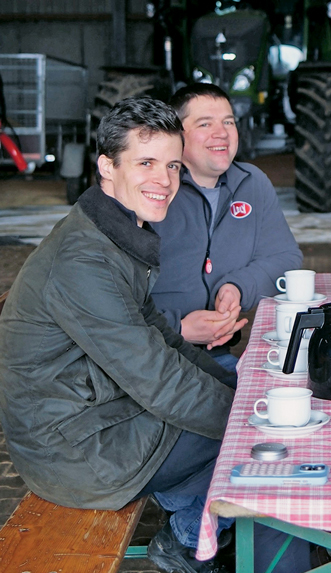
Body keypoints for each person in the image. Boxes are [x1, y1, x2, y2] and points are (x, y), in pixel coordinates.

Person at [0, 97, 308, 573]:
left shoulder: (115, 234)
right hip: (72, 450)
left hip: (97, 414)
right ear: (107, 166)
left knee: (240, 403)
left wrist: (245, 394)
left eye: (171, 165)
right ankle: (188, 543)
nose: (164, 181)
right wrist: (255, 418)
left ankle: (198, 522)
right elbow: (161, 382)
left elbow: (166, 340)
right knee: (264, 444)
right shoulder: (85, 260)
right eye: (145, 163)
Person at [151, 83, 303, 371]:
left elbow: (286, 259)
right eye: (205, 123)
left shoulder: (251, 183)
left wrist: (237, 287)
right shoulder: (153, 190)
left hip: (218, 357)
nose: (221, 133)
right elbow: (110, 299)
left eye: (228, 122)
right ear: (176, 135)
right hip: (152, 357)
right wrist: (178, 328)